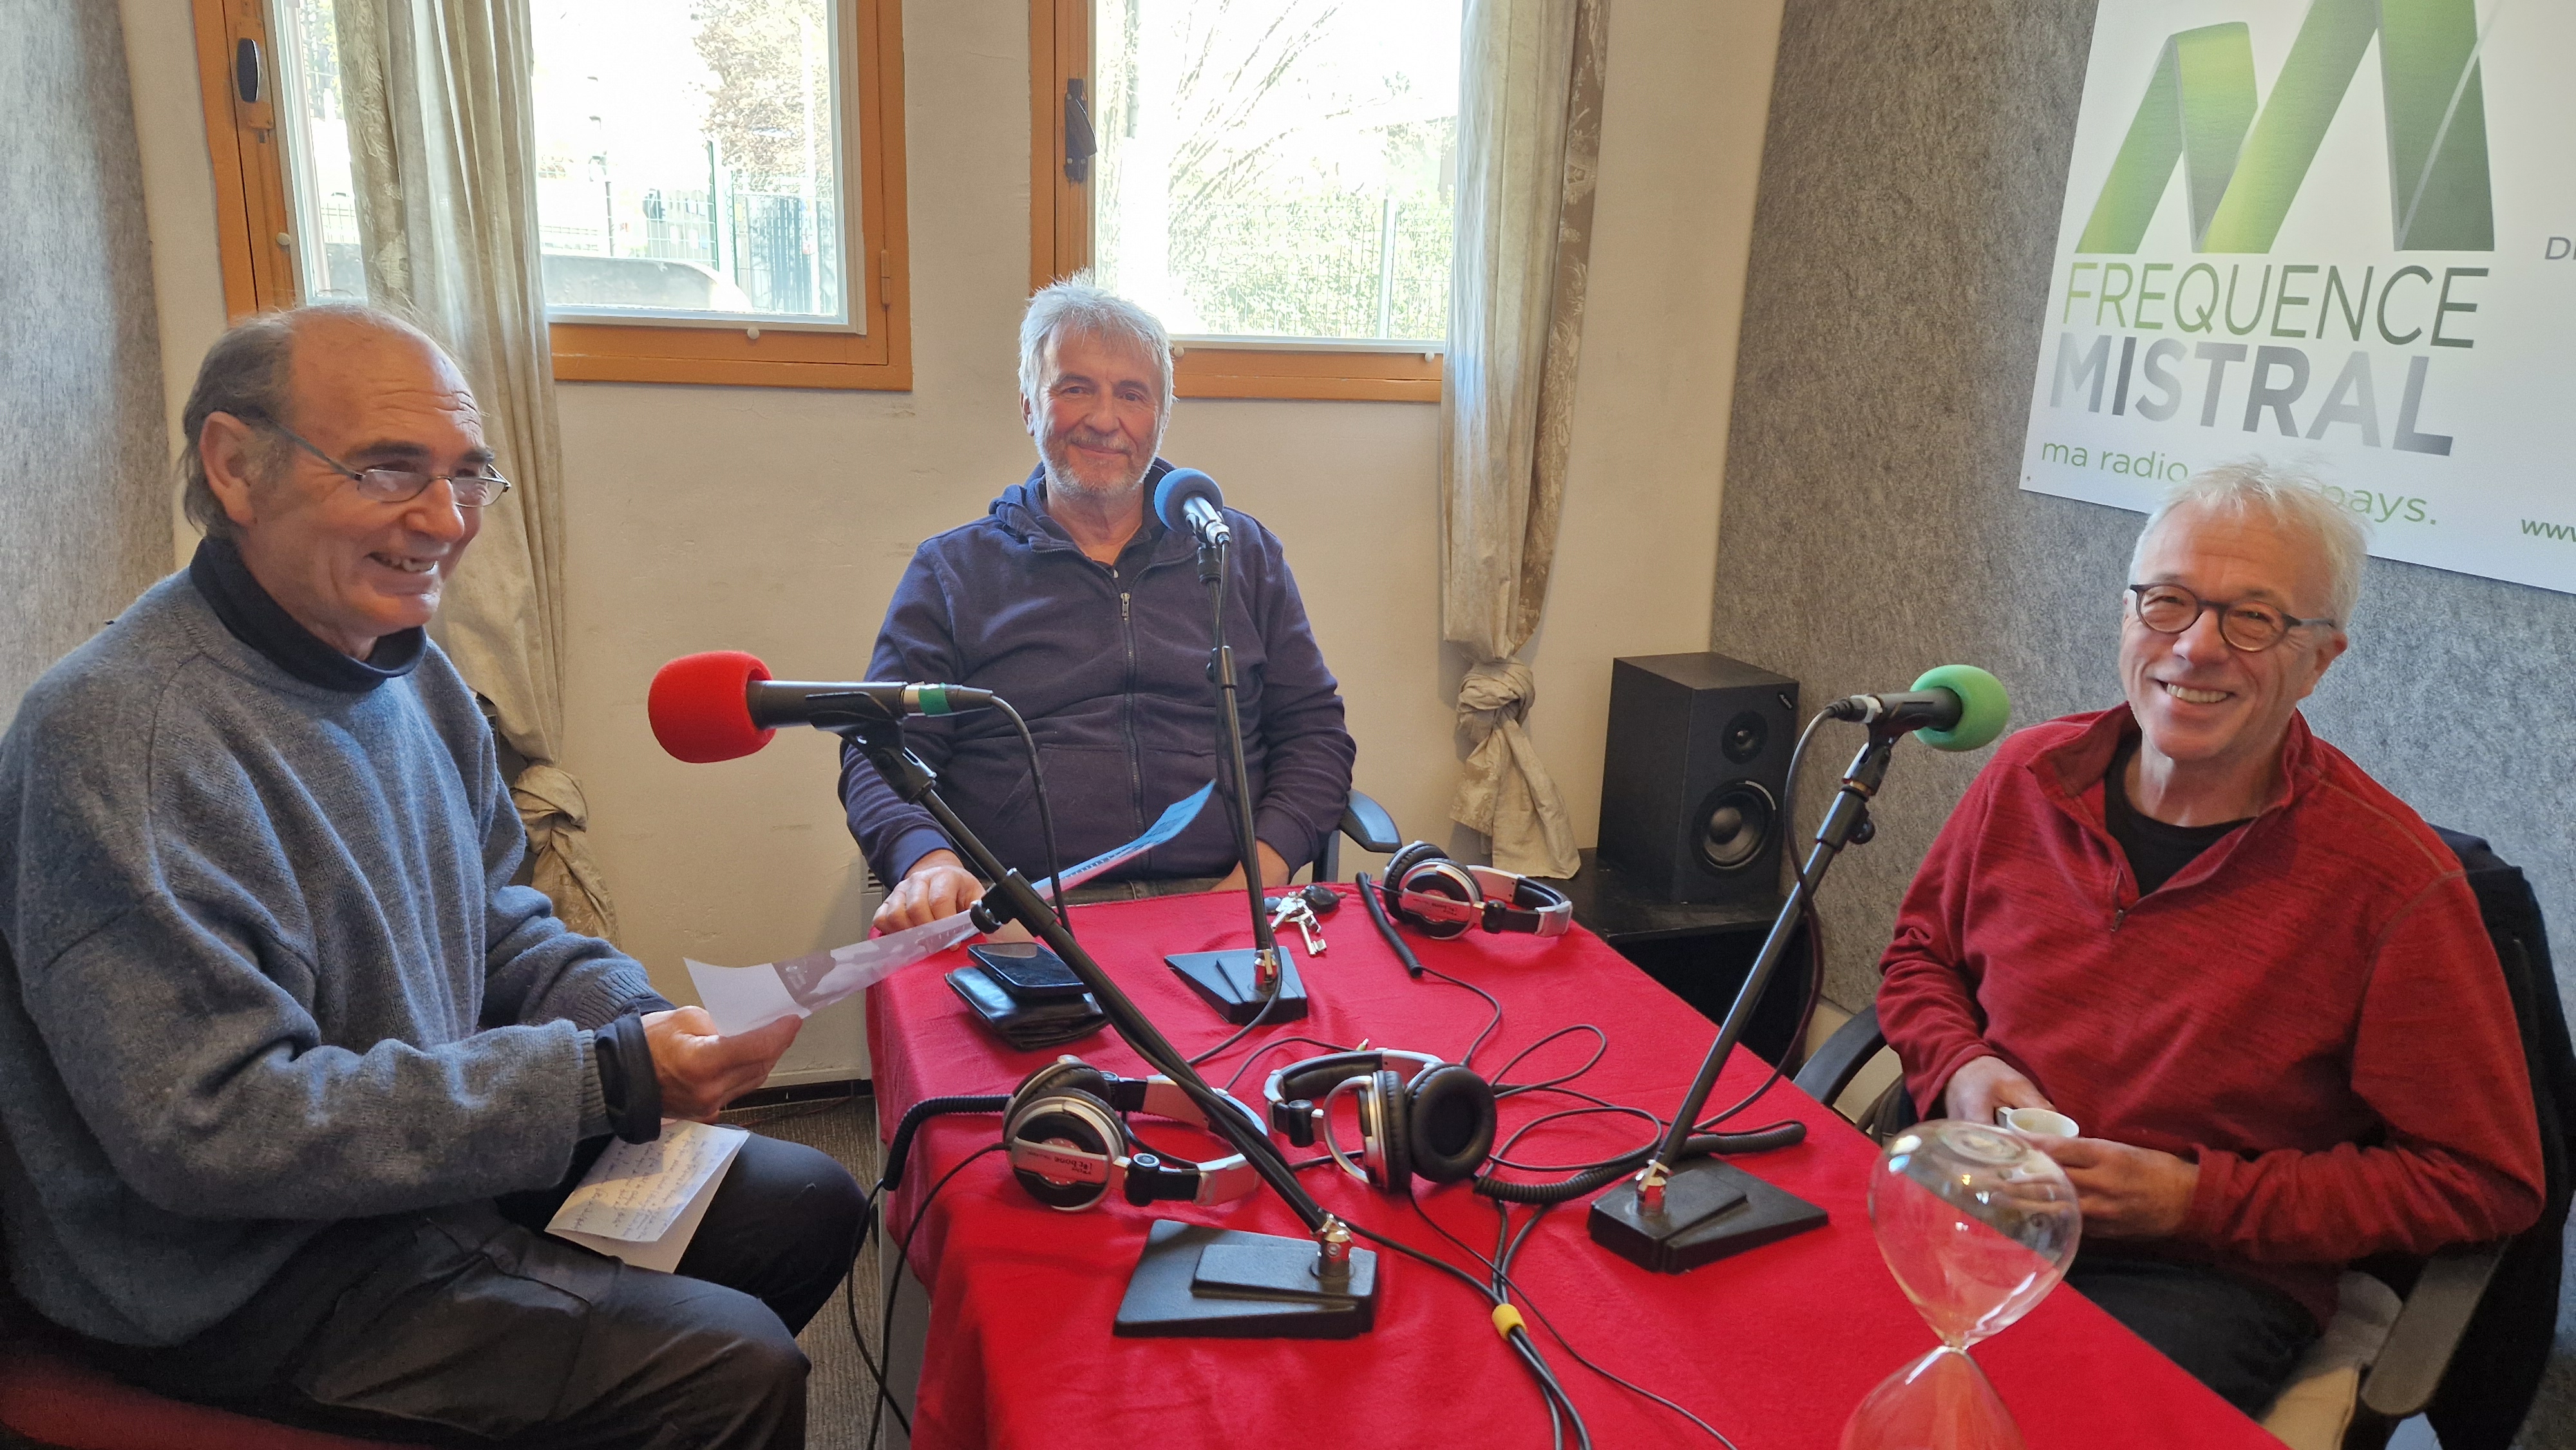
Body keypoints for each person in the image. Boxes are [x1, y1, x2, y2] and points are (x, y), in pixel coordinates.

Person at [0, 305, 862, 1449]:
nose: (446, 520)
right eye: (391, 470)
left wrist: (641, 1023)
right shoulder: (121, 737)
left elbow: (501, 919)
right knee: (724, 1373)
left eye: (469, 475)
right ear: (234, 466)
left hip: (415, 1173)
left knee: (811, 1203)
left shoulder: (409, 673)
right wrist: (601, 1081)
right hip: (239, 1274)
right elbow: (212, 1130)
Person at [1875, 462, 2543, 1415]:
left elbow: (2485, 1181)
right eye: (2169, 602)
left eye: (2254, 619)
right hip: (1976, 1195)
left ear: (2322, 659)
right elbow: (1918, 959)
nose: (2194, 648)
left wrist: (2199, 1200)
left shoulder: (2396, 888)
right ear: (2127, 615)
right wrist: (1962, 1069)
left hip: (2196, 1273)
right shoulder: (2027, 778)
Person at [849, 280, 1356, 930]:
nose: (1104, 418)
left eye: (1132, 394)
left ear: (1160, 416)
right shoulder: (952, 572)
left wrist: (1258, 871)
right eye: (1075, 387)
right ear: (1030, 407)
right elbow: (878, 753)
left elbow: (1314, 734)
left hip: (1224, 894)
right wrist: (928, 862)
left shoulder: (1239, 552)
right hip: (1020, 910)